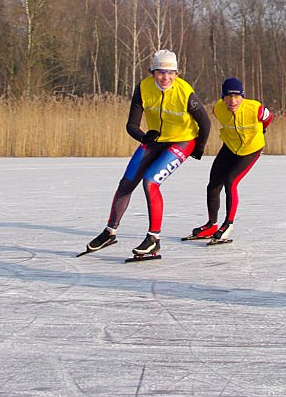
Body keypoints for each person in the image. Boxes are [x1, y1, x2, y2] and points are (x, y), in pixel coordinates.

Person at [84, 49, 210, 260]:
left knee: (150, 182)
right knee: (127, 182)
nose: (166, 77)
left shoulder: (185, 92)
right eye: (161, 72)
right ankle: (109, 232)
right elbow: (131, 125)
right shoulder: (143, 88)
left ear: (177, 74)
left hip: (183, 140)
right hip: (156, 140)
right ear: (152, 72)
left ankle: (153, 239)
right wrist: (143, 137)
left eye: (171, 73)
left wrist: (199, 147)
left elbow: (204, 123)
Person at [185, 77, 274, 244]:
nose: (232, 101)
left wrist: (262, 130)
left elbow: (269, 118)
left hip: (251, 149)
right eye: (228, 97)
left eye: (236, 96)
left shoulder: (255, 109)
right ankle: (212, 225)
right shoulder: (218, 109)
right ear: (222, 98)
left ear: (242, 96)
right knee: (213, 184)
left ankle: (228, 225)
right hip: (230, 147)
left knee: (230, 181)